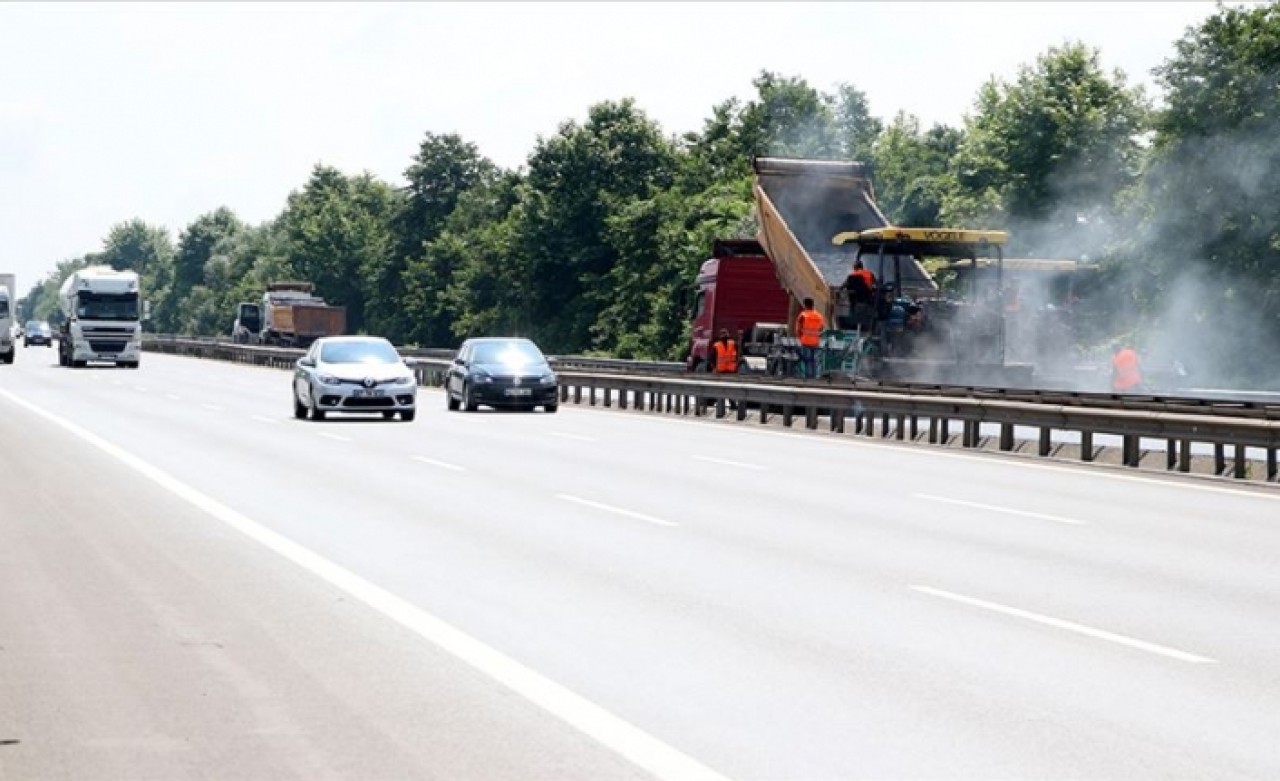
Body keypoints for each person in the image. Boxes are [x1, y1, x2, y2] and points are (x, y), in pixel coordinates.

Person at [794, 297, 825, 379]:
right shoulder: (819, 316)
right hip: (815, 342)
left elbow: (798, 329)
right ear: (813, 305)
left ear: (805, 305)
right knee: (814, 361)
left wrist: (800, 338)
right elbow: (822, 328)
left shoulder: (803, 315)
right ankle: (814, 377)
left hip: (805, 341)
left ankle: (808, 377)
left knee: (807, 360)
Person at [843, 259, 877, 332]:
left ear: (855, 267)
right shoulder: (869, 273)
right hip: (867, 300)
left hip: (854, 301)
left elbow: (844, 286)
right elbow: (876, 285)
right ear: (862, 267)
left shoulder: (851, 276)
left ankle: (852, 327)